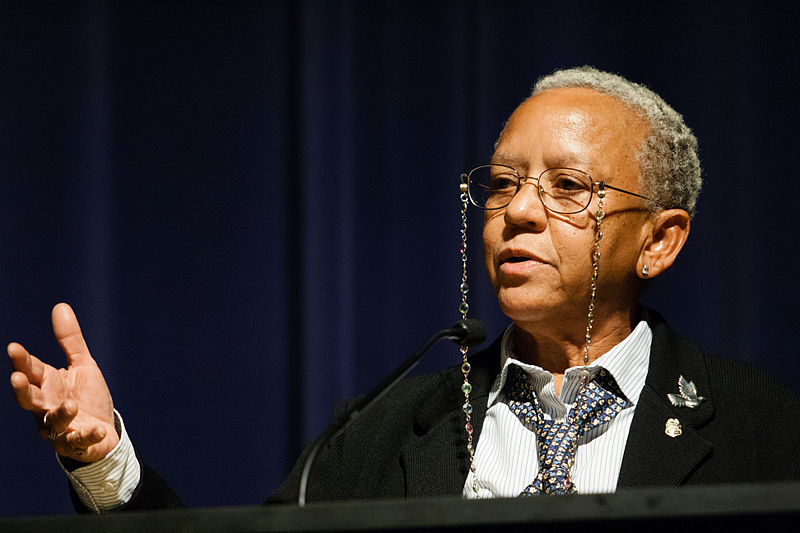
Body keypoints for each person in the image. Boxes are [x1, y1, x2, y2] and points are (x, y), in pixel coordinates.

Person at [9, 66, 800, 511]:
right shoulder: (388, 427)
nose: (518, 211)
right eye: (502, 183)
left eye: (566, 187)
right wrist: (108, 457)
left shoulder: (760, 428)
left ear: (660, 241)